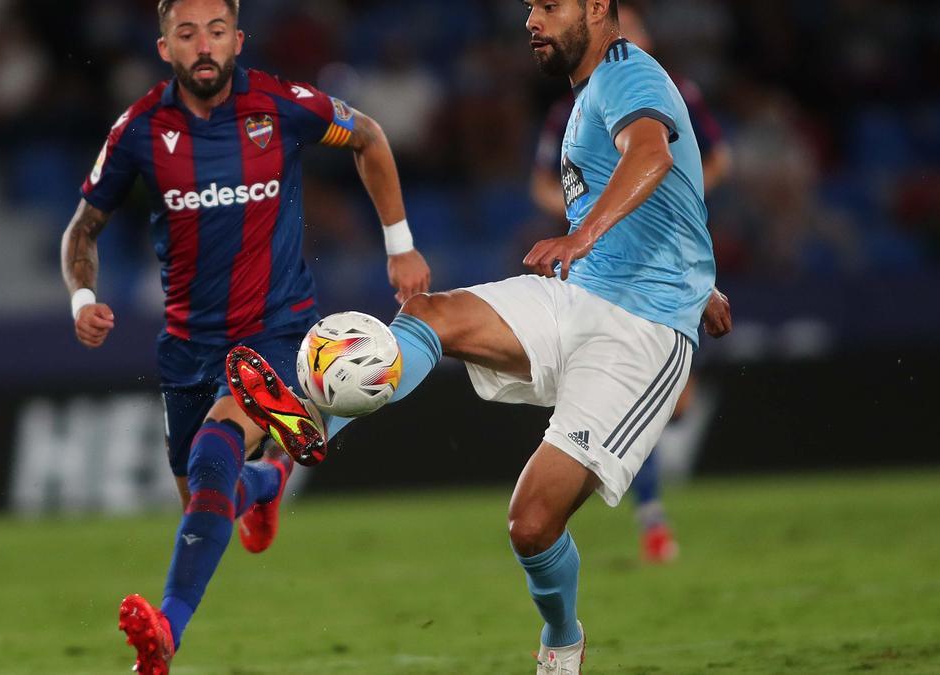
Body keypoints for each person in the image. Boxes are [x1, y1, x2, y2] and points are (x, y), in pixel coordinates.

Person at [228, 0, 731, 671]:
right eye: (529, 6)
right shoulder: (585, 95)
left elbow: (653, 155)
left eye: (549, 6)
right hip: (583, 296)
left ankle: (561, 643)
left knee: (531, 524)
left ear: (599, 9)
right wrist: (700, 276)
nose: (531, 19)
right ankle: (310, 433)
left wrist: (588, 237)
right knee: (431, 313)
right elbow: (672, 197)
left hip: (639, 335)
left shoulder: (624, 74)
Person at [58, 1, 430, 672]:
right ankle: (264, 484)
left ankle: (166, 631)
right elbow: (83, 229)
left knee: (215, 444)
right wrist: (83, 297)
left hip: (278, 329)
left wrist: (399, 245)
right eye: (188, 33)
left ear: (238, 39)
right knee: (210, 497)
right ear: (165, 46)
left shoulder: (280, 105)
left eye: (217, 31)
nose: (204, 45)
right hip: (186, 349)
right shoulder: (139, 130)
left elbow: (370, 136)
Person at [529, 2, 732, 564]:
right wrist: (583, 216)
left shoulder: (666, 89)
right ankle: (650, 516)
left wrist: (673, 202)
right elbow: (545, 183)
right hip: (608, 265)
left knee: (676, 406)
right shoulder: (571, 107)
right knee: (628, 400)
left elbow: (701, 161)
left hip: (664, 257)